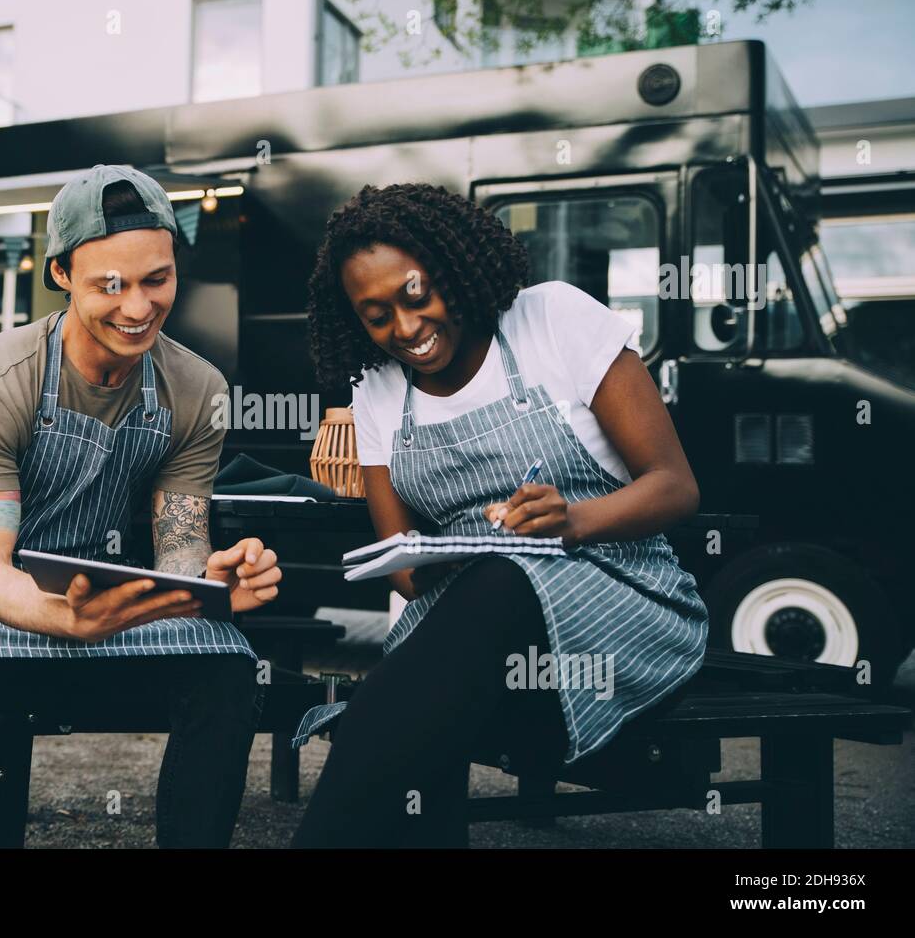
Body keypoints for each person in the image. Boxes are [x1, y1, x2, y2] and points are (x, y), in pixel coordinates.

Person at [291, 183, 708, 848]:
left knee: (428, 676)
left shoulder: (552, 320)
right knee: (426, 703)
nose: (405, 328)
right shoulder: (375, 391)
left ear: (456, 268)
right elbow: (403, 570)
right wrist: (439, 555)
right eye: (375, 315)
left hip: (621, 611)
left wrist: (571, 520)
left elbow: (675, 488)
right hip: (476, 634)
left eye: (416, 293)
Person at [0, 165, 282, 848]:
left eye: (156, 280)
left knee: (226, 663)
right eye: (110, 285)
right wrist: (68, 619)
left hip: (96, 576)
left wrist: (210, 586)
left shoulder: (196, 388)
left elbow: (179, 550)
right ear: (61, 274)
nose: (137, 308)